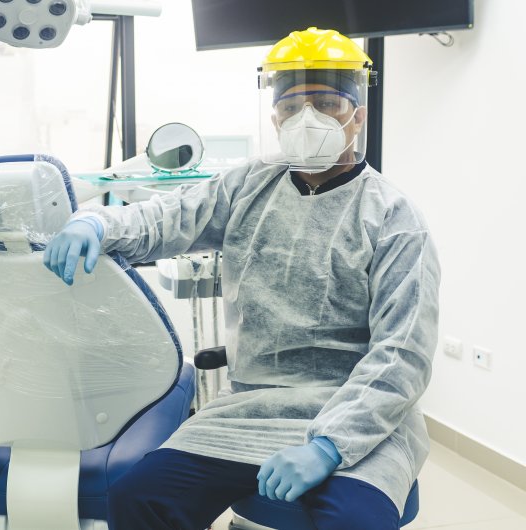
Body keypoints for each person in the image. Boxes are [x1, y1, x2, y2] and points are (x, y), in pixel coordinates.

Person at [43, 27, 440, 530]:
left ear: (357, 116)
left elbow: (402, 355)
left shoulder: (393, 218)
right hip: (252, 406)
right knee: (138, 498)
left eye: (327, 105)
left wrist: (328, 446)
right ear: (273, 116)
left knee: (352, 521)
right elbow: (169, 217)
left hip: (358, 414)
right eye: (291, 107)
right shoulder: (250, 185)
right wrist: (97, 222)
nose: (306, 120)